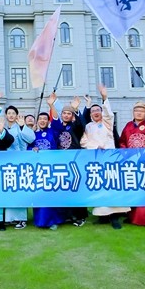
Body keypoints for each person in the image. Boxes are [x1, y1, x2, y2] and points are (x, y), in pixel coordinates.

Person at [80, 85, 130, 229]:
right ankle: (102, 217)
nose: (96, 112)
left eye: (98, 110)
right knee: (99, 187)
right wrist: (95, 146)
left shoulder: (107, 123)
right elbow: (83, 142)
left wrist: (104, 97)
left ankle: (115, 217)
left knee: (112, 187)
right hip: (96, 160)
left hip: (110, 159)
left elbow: (109, 114)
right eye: (93, 111)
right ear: (90, 114)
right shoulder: (88, 127)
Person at [47, 93, 89, 227]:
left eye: (68, 113)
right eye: (64, 113)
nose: (66, 115)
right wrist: (51, 106)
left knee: (76, 188)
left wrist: (76, 109)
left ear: (72, 116)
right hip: (61, 162)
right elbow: (54, 120)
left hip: (75, 161)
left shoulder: (74, 127)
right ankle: (67, 216)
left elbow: (82, 125)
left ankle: (80, 216)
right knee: (64, 189)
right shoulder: (59, 127)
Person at [0, 105, 35, 229]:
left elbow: (31, 139)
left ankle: (21, 219)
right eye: (9, 113)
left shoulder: (20, 127)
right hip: (8, 163)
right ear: (6, 115)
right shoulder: (4, 128)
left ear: (17, 115)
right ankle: (10, 218)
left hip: (20, 162)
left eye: (13, 113)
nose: (11, 115)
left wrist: (23, 127)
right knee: (10, 189)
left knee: (20, 190)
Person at [28, 112, 65, 230]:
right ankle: (40, 221)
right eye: (40, 119)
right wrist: (32, 149)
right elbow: (28, 147)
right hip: (38, 169)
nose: (42, 121)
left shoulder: (52, 131)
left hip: (51, 167)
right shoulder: (33, 134)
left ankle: (54, 221)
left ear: (48, 121)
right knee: (39, 195)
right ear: (37, 121)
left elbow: (58, 125)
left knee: (51, 195)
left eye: (45, 119)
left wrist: (52, 106)